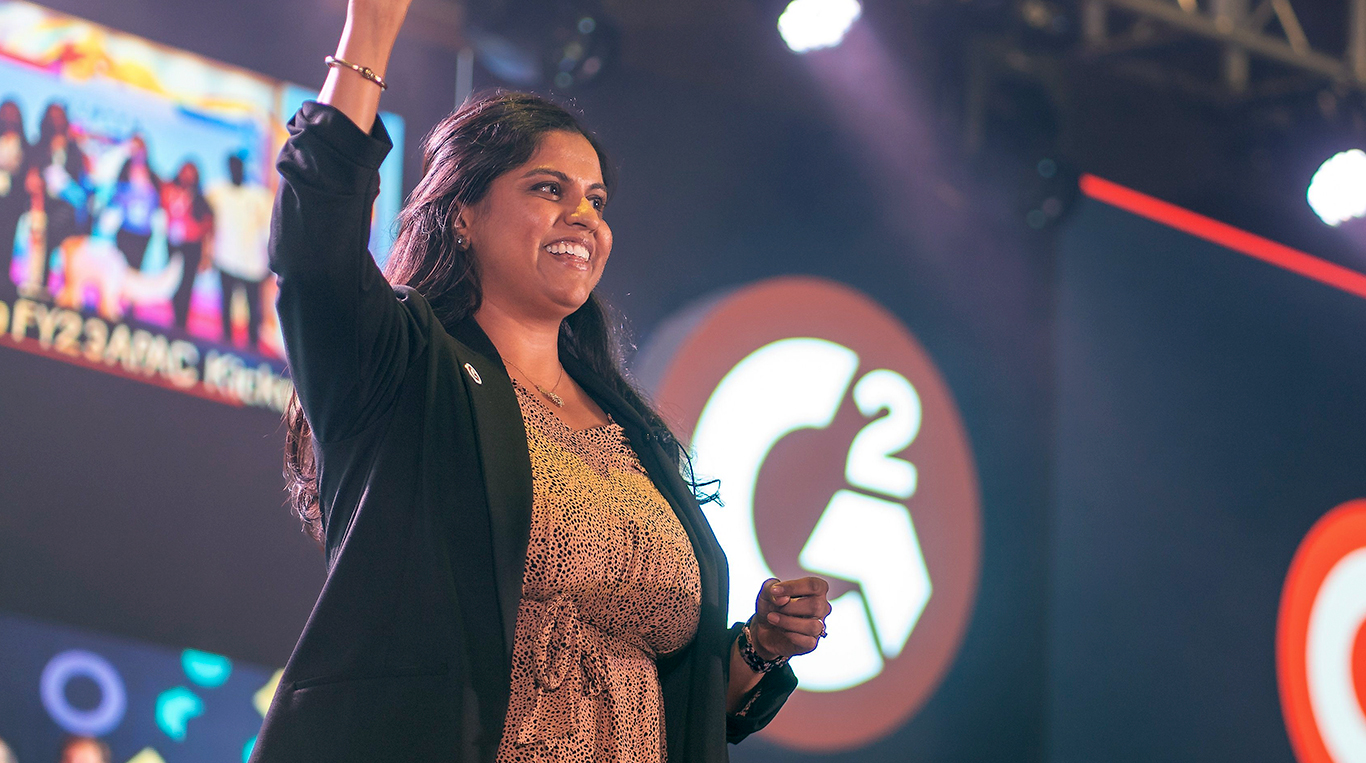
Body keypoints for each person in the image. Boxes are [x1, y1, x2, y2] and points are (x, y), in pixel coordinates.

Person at [249, 0, 830, 760]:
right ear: (463, 215)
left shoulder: (634, 436)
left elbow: (680, 701)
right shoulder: (407, 372)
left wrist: (757, 645)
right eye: (548, 189)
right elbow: (315, 246)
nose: (583, 216)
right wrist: (372, 31)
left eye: (595, 200)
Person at [205, 153, 272, 349]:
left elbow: (268, 230)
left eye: (238, 166)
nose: (235, 170)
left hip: (252, 263)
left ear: (243, 168)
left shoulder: (259, 196)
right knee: (226, 303)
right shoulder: (216, 191)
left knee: (254, 307)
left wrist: (270, 261)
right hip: (225, 258)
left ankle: (253, 346)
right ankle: (226, 341)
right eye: (232, 166)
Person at [160, 160, 213, 328]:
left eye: (191, 173)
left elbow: (207, 226)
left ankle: (182, 321)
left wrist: (205, 256)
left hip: (192, 246)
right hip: (173, 243)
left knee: (187, 283)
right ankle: (174, 316)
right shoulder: (169, 189)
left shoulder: (199, 199)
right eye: (185, 171)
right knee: (172, 280)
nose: (187, 176)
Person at [109, 134, 160, 273]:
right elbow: (113, 196)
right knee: (118, 266)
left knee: (135, 269)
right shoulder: (123, 171)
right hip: (125, 229)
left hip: (143, 233)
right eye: (134, 146)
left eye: (140, 146)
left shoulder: (153, 175)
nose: (137, 150)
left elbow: (158, 202)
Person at [0, 99, 29, 297]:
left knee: (7, 241)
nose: (9, 117)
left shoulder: (25, 145)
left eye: (13, 113)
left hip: (12, 203)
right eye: (5, 113)